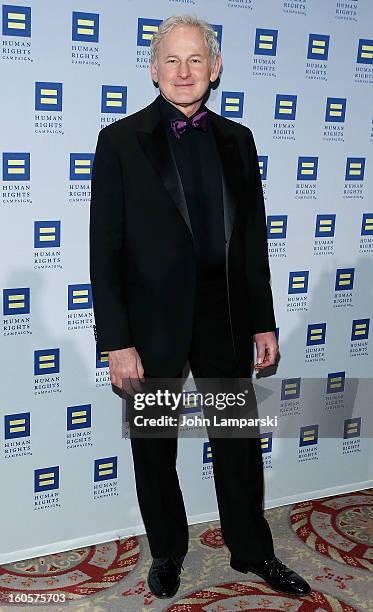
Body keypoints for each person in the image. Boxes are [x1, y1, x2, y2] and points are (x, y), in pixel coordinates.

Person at [89, 14, 311, 600]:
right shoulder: (119, 141)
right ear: (154, 69)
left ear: (214, 69)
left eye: (195, 60)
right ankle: (167, 551)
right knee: (154, 450)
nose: (184, 72)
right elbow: (103, 251)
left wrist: (262, 320)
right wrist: (116, 340)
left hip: (226, 317)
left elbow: (254, 243)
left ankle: (252, 550)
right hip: (151, 328)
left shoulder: (240, 140)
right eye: (172, 60)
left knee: (237, 444)